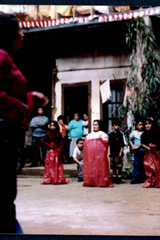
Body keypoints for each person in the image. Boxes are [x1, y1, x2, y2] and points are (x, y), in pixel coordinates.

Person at [0, 13, 48, 233]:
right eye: (19, 30)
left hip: (8, 134)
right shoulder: (0, 56)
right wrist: (21, 107)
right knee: (4, 196)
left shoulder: (5, 58)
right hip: (2, 134)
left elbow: (7, 93)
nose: (23, 34)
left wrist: (29, 98)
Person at [141, 117, 160, 188]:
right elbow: (142, 143)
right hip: (149, 153)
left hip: (157, 152)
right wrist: (148, 148)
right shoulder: (144, 134)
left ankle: (158, 181)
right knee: (150, 168)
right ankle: (151, 181)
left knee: (158, 167)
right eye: (146, 124)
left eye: (149, 124)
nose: (147, 126)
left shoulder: (156, 131)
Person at [83, 120, 113, 187]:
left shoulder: (103, 134)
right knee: (92, 168)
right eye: (93, 125)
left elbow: (105, 144)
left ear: (99, 126)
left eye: (96, 125)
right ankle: (91, 181)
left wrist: (99, 139)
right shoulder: (89, 135)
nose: (94, 126)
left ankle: (102, 182)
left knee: (100, 168)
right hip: (91, 156)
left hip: (100, 156)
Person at [129, 119, 146, 184]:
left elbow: (143, 142)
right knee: (136, 164)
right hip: (136, 151)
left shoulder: (144, 132)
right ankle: (134, 178)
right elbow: (130, 140)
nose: (141, 126)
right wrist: (133, 146)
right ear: (136, 126)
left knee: (142, 164)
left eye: (142, 125)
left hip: (143, 150)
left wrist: (138, 146)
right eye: (139, 125)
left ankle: (141, 178)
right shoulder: (134, 132)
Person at [108, 119, 126, 184]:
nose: (117, 127)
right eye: (115, 125)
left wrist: (121, 152)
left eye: (118, 125)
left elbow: (122, 145)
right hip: (112, 152)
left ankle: (120, 177)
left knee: (118, 164)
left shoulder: (121, 134)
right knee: (113, 165)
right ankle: (114, 176)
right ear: (113, 126)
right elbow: (109, 144)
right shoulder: (110, 135)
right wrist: (109, 152)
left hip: (118, 153)